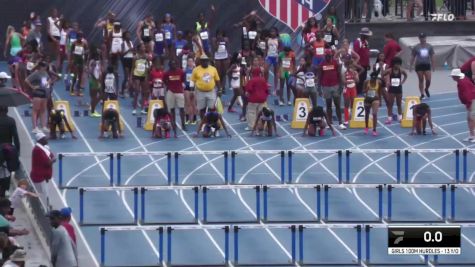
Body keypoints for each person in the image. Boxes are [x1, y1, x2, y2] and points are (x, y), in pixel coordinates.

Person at [318, 49, 346, 130]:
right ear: (325, 56)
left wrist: (341, 86)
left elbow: (339, 74)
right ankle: (329, 122)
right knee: (328, 105)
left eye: (330, 56)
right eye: (327, 56)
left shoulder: (335, 63)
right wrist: (319, 88)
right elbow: (319, 77)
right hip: (326, 87)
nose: (328, 57)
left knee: (337, 104)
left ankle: (340, 122)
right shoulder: (322, 64)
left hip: (335, 86)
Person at [25, 62, 53, 133]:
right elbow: (27, 80)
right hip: (37, 93)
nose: (46, 68)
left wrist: (49, 82)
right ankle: (35, 127)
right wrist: (33, 87)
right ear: (41, 67)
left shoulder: (45, 73)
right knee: (35, 110)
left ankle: (43, 126)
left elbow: (49, 79)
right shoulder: (36, 73)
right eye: (44, 67)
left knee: (43, 110)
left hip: (44, 94)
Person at [191, 54, 220, 119]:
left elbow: (217, 80)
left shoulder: (213, 69)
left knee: (212, 108)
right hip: (200, 92)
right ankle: (203, 122)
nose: (205, 62)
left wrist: (220, 89)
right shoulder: (196, 70)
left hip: (211, 91)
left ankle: (210, 122)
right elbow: (192, 81)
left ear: (208, 61)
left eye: (206, 60)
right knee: (202, 109)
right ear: (201, 61)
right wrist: (191, 91)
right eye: (203, 61)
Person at [30, 132, 55, 206]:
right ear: (40, 140)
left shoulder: (44, 148)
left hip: (44, 176)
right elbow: (47, 163)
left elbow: (51, 156)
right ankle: (45, 210)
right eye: (45, 138)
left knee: (45, 193)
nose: (47, 139)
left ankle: (46, 206)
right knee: (42, 195)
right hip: (39, 176)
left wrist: (52, 159)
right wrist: (53, 160)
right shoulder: (37, 150)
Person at [452, 68, 475, 142]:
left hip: (472, 100)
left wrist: (469, 103)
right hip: (470, 101)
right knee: (469, 118)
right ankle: (471, 135)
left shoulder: (463, 82)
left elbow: (468, 93)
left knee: (472, 118)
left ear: (456, 76)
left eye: (453, 76)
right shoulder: (461, 80)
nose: (452, 77)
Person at [383, 57, 408, 124]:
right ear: (393, 64)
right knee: (390, 104)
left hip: (399, 89)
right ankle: (389, 119)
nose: (397, 65)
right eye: (396, 64)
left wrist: (402, 82)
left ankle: (400, 118)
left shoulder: (401, 70)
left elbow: (406, 75)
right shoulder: (389, 70)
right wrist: (387, 80)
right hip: (391, 89)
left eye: (398, 64)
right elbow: (383, 74)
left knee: (399, 104)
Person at [410, 33, 435, 99]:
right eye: (421, 38)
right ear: (419, 38)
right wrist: (410, 66)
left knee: (428, 80)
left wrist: (433, 65)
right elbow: (413, 56)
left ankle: (426, 88)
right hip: (419, 65)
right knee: (421, 79)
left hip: (427, 64)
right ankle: (422, 94)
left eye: (423, 37)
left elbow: (432, 56)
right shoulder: (416, 47)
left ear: (425, 38)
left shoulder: (429, 46)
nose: (422, 39)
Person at [163, 60, 186, 130]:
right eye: (172, 64)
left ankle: (183, 125)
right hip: (171, 92)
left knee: (182, 109)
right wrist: (169, 86)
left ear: (176, 64)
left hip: (179, 92)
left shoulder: (181, 72)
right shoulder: (166, 73)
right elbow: (164, 80)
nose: (173, 66)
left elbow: (183, 79)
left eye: (174, 64)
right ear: (169, 66)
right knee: (172, 109)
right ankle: (173, 124)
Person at [131, 44, 150, 115]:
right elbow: (132, 68)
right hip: (136, 75)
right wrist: (130, 78)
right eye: (143, 47)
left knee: (144, 92)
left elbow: (148, 66)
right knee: (136, 91)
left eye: (144, 47)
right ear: (139, 49)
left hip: (144, 76)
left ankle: (142, 109)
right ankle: (134, 109)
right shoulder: (135, 57)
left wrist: (148, 70)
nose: (144, 48)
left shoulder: (146, 56)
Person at [353, 28, 372, 95]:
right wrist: (356, 65)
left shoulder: (366, 42)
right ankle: (355, 93)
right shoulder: (357, 42)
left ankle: (360, 92)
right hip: (359, 66)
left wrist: (368, 63)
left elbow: (367, 53)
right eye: (368, 35)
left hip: (365, 65)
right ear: (363, 35)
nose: (369, 37)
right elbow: (354, 55)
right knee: (358, 80)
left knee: (363, 80)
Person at [266, 27, 281, 95]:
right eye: (271, 32)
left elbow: (281, 49)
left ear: (276, 32)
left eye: (273, 32)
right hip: (269, 57)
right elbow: (266, 48)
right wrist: (265, 56)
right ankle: (266, 86)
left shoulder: (279, 40)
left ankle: (275, 89)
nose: (272, 33)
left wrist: (279, 57)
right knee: (265, 70)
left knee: (276, 73)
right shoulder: (267, 39)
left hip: (276, 57)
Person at [88, 48, 102, 117]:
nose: (100, 55)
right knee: (95, 97)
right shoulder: (94, 62)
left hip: (94, 80)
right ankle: (92, 111)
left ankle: (92, 107)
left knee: (100, 95)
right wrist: (96, 80)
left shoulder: (95, 61)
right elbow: (91, 72)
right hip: (94, 81)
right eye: (99, 54)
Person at [120, 31, 134, 97]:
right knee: (126, 77)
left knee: (132, 77)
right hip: (126, 60)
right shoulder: (123, 43)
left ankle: (131, 92)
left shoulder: (131, 42)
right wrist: (129, 50)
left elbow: (133, 51)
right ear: (125, 36)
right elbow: (122, 54)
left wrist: (134, 51)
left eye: (129, 34)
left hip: (131, 59)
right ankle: (122, 91)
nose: (129, 36)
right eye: (127, 35)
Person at [184, 57, 197, 124]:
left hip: (194, 88)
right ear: (187, 62)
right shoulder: (185, 70)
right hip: (187, 88)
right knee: (187, 104)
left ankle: (194, 119)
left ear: (193, 62)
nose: (190, 62)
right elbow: (183, 79)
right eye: (189, 61)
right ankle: (187, 118)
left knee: (194, 104)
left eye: (191, 61)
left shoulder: (195, 70)